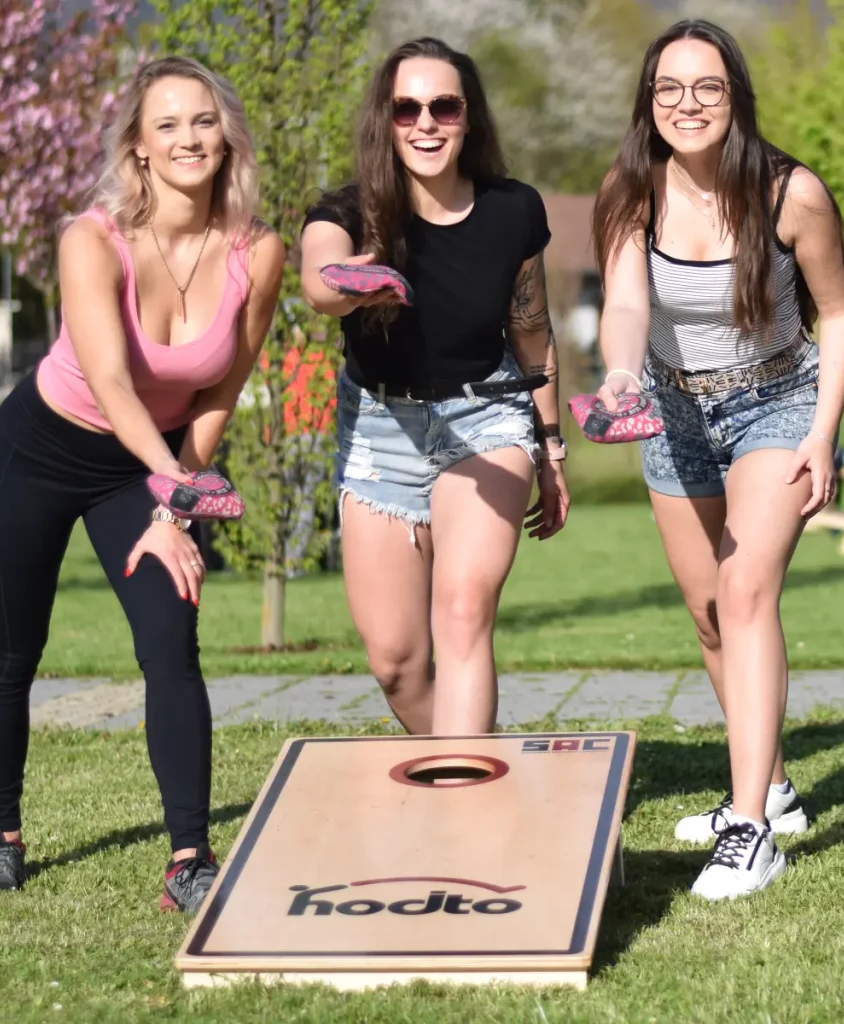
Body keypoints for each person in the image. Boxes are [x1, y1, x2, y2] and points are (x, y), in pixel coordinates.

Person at [0, 56, 284, 913]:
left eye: (203, 120)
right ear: (138, 148)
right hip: (38, 451)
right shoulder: (90, 238)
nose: (187, 138)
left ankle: (188, 857)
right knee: (11, 651)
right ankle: (0, 837)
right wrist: (176, 485)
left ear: (228, 136)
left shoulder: (258, 251)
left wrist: (173, 502)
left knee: (170, 640)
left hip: (151, 466)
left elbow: (221, 386)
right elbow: (109, 380)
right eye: (166, 124)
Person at [592, 19, 844, 899]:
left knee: (748, 592)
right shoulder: (630, 189)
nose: (687, 103)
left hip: (777, 400)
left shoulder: (791, 194)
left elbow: (840, 314)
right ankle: (774, 787)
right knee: (709, 611)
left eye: (707, 86)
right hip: (670, 406)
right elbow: (627, 304)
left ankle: (749, 829)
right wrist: (623, 378)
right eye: (669, 87)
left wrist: (822, 434)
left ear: (736, 96)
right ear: (649, 101)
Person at [299, 37, 570, 738]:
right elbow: (318, 280)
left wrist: (551, 449)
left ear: (468, 117)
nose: (426, 123)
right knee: (396, 662)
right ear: (383, 121)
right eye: (406, 108)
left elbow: (532, 330)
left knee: (462, 606)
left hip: (488, 419)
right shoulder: (347, 213)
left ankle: (468, 806)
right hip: (379, 429)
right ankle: (474, 764)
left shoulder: (513, 211)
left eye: (444, 106)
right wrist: (351, 281)